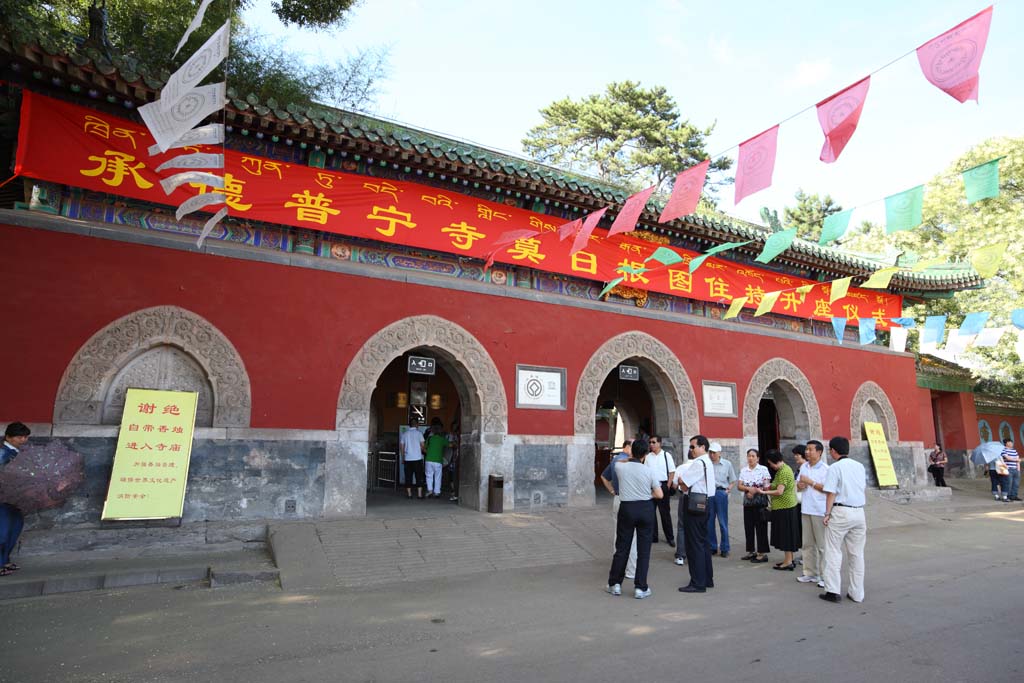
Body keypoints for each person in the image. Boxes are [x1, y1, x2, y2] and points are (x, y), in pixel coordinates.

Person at [606, 439, 663, 600]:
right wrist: (646, 495)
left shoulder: (620, 466)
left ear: (632, 452)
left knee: (622, 547)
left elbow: (621, 460)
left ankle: (614, 584)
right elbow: (659, 494)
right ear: (645, 454)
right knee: (643, 550)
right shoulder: (649, 471)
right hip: (645, 509)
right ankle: (640, 587)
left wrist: (630, 457)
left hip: (627, 508)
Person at [820, 436, 868, 604]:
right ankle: (857, 593)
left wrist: (827, 513)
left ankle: (832, 590)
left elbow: (831, 492)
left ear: (833, 451)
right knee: (857, 554)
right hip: (859, 512)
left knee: (833, 551)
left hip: (841, 512)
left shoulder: (835, 468)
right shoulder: (860, 466)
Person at [676, 434, 715, 593]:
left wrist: (681, 480)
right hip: (706, 503)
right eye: (690, 446)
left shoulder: (699, 463)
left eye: (693, 446)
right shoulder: (708, 461)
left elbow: (683, 483)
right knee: (703, 542)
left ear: (703, 447)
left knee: (694, 544)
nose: (691, 449)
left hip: (695, 505)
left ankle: (698, 582)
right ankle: (706, 578)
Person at [601, 440, 638, 581]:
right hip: (629, 500)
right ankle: (631, 570)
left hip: (618, 498)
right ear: (627, 447)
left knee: (618, 534)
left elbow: (604, 476)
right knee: (632, 537)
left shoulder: (616, 459)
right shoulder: (627, 462)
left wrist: (611, 490)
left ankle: (618, 567)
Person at [797, 440, 829, 587]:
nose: (807, 452)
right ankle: (810, 573)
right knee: (807, 544)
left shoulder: (826, 469)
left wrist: (810, 482)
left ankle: (824, 576)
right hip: (806, 508)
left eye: (810, 450)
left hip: (819, 510)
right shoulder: (804, 466)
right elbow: (798, 485)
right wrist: (800, 485)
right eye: (806, 450)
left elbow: (828, 489)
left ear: (819, 452)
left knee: (822, 545)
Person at [761, 449, 800, 571]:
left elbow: (779, 491)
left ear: (775, 461)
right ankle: (788, 559)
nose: (770, 466)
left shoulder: (784, 471)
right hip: (783, 507)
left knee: (786, 535)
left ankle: (788, 562)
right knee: (785, 535)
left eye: (770, 463)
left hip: (785, 508)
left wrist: (763, 491)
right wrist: (769, 485)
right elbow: (777, 485)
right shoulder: (782, 470)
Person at [1, 422, 30, 576]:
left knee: (13, 530)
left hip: (17, 499)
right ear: (8, 437)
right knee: (2, 531)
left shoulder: (19, 453)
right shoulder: (3, 453)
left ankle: (5, 560)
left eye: (25, 437)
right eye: (20, 437)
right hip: (4, 499)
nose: (23, 440)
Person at [737, 448, 770, 563]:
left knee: (761, 527)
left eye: (753, 456)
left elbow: (767, 486)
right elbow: (739, 486)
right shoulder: (744, 470)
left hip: (760, 501)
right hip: (748, 502)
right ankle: (751, 551)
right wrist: (748, 489)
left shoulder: (763, 469)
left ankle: (762, 553)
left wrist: (755, 490)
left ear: (758, 458)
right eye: (749, 456)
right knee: (749, 527)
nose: (750, 458)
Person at [645, 435, 675, 547]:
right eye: (650, 442)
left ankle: (670, 537)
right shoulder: (648, 457)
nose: (651, 444)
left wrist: (667, 485)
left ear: (659, 443)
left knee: (665, 513)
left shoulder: (667, 456)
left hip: (663, 485)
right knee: (651, 513)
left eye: (653, 442)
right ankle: (654, 536)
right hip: (651, 487)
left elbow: (672, 472)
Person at [707, 442, 735, 558]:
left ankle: (725, 548)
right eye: (710, 452)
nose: (711, 455)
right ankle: (712, 547)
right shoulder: (707, 464)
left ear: (719, 453)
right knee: (709, 521)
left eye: (714, 453)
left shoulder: (727, 464)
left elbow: (733, 479)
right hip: (709, 493)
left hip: (720, 492)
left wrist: (728, 489)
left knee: (723, 522)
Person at [670, 437, 695, 566]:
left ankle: (680, 555)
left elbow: (674, 485)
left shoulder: (681, 468)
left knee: (682, 526)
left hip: (684, 497)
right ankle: (695, 553)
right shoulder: (701, 466)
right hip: (699, 498)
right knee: (696, 526)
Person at [399, 419, 425, 499]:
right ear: (416, 424)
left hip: (408, 459)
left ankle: (409, 495)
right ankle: (419, 495)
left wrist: (403, 458)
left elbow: (402, 448)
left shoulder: (405, 434)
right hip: (417, 458)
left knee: (408, 477)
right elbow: (422, 446)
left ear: (409, 425)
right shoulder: (419, 434)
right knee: (419, 476)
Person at [423, 418, 447, 499]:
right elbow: (449, 445)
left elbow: (424, 448)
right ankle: (437, 492)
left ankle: (429, 490)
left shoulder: (429, 438)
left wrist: (429, 453)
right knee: (438, 476)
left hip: (428, 460)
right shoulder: (442, 439)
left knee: (429, 476)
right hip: (438, 460)